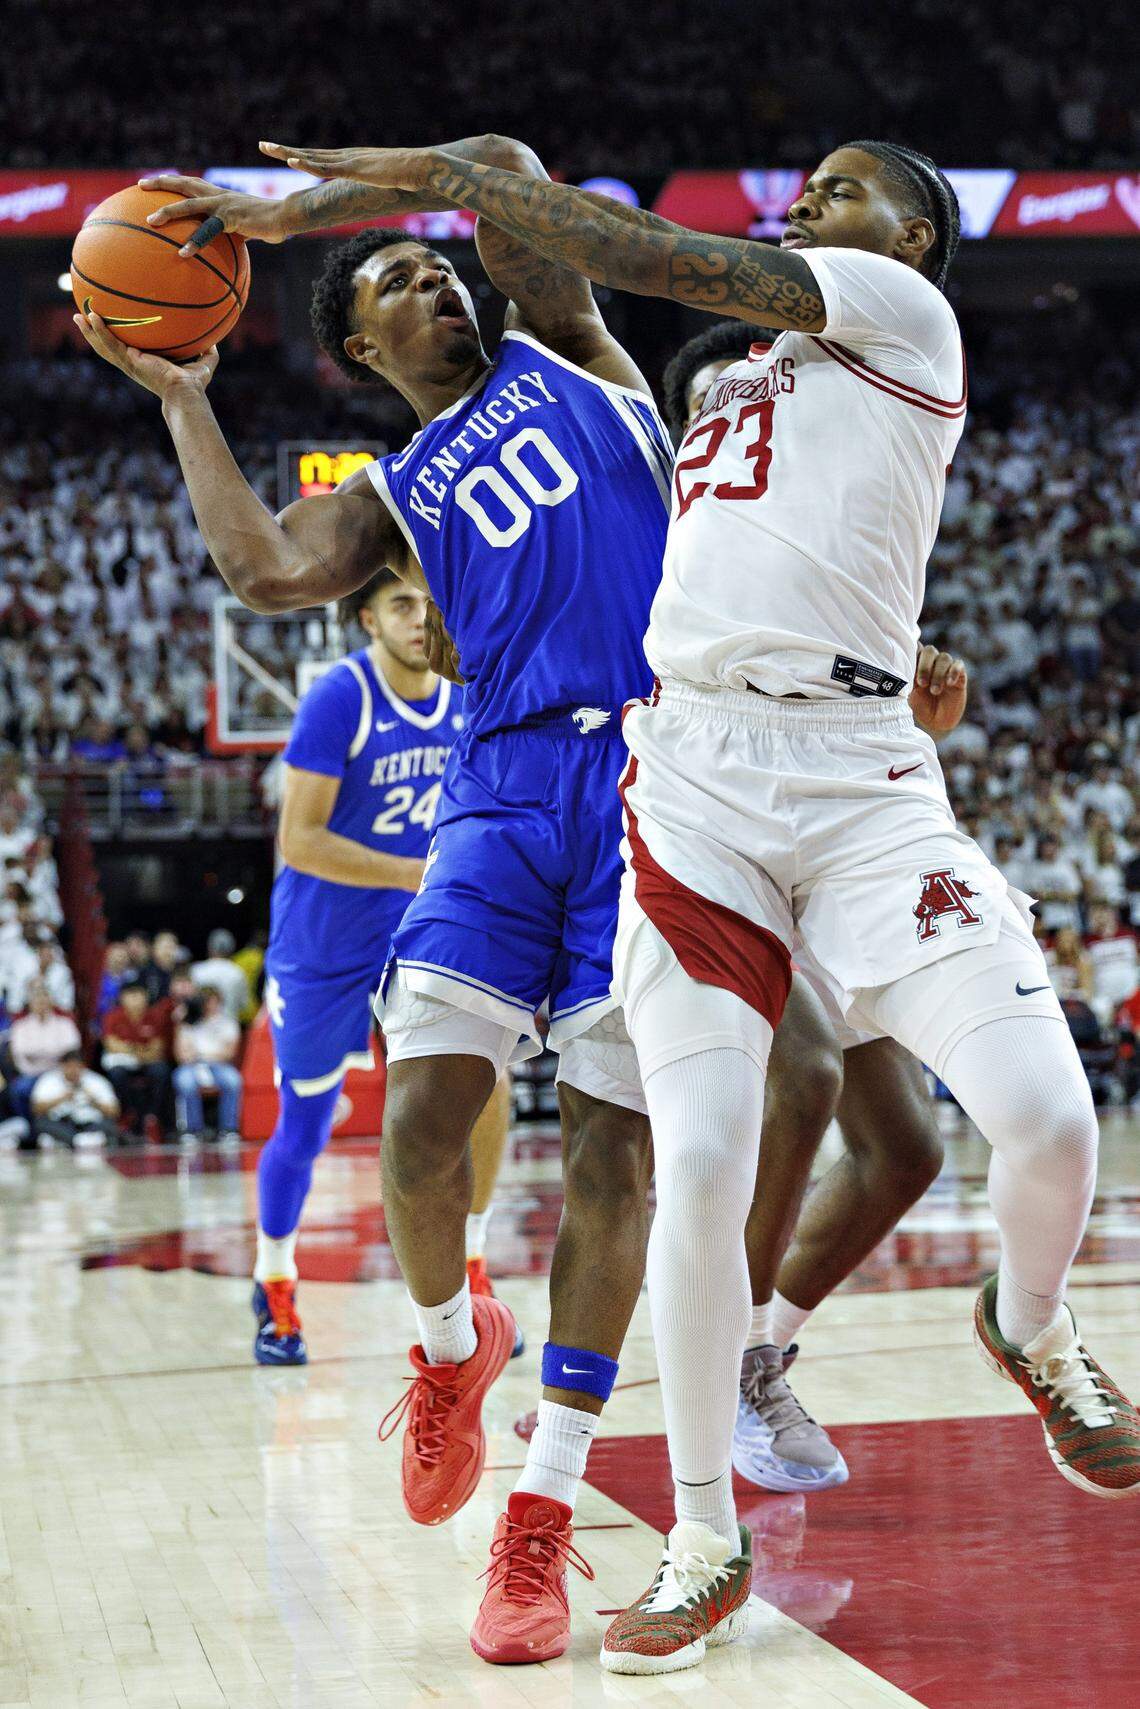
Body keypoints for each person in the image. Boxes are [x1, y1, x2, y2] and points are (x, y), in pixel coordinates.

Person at [323, 133, 1140, 1667]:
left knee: (1047, 1120)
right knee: (696, 1161)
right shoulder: (722, 386)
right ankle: (704, 1531)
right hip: (694, 774)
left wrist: (432, 178)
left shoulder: (902, 312)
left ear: (916, 236)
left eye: (846, 187)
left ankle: (1031, 1322)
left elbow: (644, 259)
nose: (812, 199)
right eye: (805, 187)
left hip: (861, 779)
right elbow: (744, 540)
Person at [79, 133, 670, 1672]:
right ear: (358, 351)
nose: (438, 286)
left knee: (615, 1150)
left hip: (650, 779)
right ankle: (451, 1347)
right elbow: (268, 571)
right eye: (400, 284)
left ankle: (541, 1509)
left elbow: (501, 167)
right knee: (419, 1127)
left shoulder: (571, 347)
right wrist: (189, 401)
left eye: (438, 266)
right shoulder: (397, 492)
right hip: (498, 786)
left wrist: (301, 213)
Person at [665, 320, 961, 1493]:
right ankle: (715, 1361)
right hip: (707, 829)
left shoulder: (837, 522)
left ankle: (758, 1349)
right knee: (801, 1079)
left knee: (908, 1148)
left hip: (828, 834)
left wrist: (912, 717)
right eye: (720, 399)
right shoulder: (677, 531)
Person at [253, 567, 514, 1367]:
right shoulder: (339, 697)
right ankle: (274, 1276)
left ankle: (473, 1267)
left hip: (420, 931)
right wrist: (413, 869)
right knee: (305, 1121)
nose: (418, 619)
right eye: (400, 604)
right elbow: (299, 840)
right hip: (325, 940)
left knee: (487, 1082)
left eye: (427, 604)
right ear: (366, 618)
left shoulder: (465, 693)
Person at [101, 972, 172, 1140]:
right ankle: (129, 1114)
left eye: (139, 994)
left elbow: (157, 1049)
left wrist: (132, 1050)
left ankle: (153, 1116)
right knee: (116, 1074)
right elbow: (111, 1044)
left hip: (147, 1062)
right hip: (124, 1062)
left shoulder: (155, 1016)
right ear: (122, 998)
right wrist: (138, 1051)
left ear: (146, 996)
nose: (135, 999)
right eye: (130, 995)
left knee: (161, 1071)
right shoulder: (113, 1016)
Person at [173, 986, 243, 1143]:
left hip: (219, 1065)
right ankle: (192, 1131)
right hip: (192, 1065)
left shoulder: (228, 1023)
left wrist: (202, 1055)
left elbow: (228, 1053)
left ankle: (229, 1129)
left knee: (233, 1080)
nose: (209, 1005)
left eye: (213, 1001)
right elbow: (182, 1055)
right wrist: (180, 1022)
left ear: (219, 1002)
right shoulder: (189, 1022)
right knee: (185, 1082)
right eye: (205, 1001)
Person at [8, 982, 82, 1118]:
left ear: (51, 1001)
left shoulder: (65, 1024)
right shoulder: (20, 1026)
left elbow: (71, 1050)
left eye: (44, 999)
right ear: (30, 1004)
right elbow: (21, 1051)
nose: (41, 1003)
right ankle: (29, 1126)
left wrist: (38, 1052)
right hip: (32, 1074)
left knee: (77, 1091)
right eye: (37, 1000)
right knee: (18, 1090)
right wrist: (54, 1052)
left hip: (60, 1074)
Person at [30, 1049, 119, 1148]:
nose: (73, 1071)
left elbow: (114, 1111)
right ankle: (79, 1141)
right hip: (62, 1123)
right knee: (41, 1123)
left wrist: (93, 1101)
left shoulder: (96, 1081)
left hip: (91, 1124)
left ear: (83, 1066)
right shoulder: (48, 1080)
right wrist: (62, 1098)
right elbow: (36, 1109)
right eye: (69, 1067)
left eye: (77, 1066)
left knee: (109, 1124)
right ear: (62, 1066)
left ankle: (73, 1142)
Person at [190, 929, 251, 1022]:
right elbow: (244, 1005)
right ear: (231, 950)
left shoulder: (196, 970)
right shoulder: (238, 972)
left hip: (200, 1026)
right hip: (229, 1026)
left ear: (210, 948)